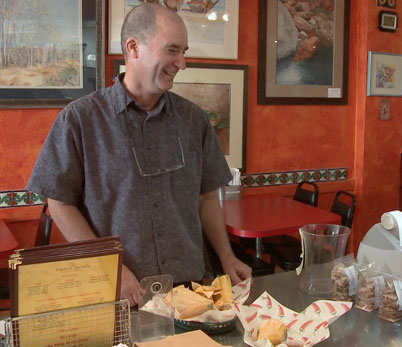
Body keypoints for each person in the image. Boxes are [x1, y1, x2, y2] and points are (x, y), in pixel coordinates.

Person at [26, 3, 251, 306]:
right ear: (133, 47)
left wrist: (227, 256)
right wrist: (111, 268)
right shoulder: (79, 120)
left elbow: (206, 197)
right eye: (172, 50)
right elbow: (60, 202)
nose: (182, 63)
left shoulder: (194, 120)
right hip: (119, 291)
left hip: (191, 291)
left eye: (184, 51)